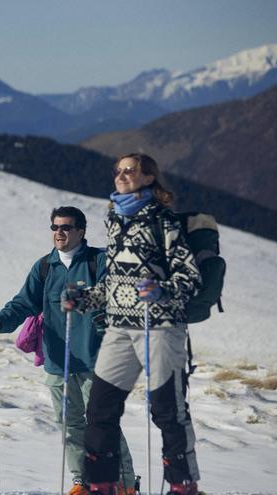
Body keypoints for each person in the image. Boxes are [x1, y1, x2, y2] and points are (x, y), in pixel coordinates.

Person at [62, 153, 202, 495]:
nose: (123, 175)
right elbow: (115, 283)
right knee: (100, 409)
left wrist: (161, 290)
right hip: (119, 327)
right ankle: (102, 484)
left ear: (149, 178)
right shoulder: (115, 219)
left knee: (168, 410)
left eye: (131, 170)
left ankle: (183, 485)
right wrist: (84, 299)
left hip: (160, 326)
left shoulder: (162, 221)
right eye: (119, 170)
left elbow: (191, 277)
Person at [0, 206, 137, 495]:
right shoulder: (44, 267)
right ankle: (83, 482)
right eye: (54, 227)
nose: (59, 233)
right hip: (58, 362)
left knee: (103, 425)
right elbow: (23, 303)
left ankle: (125, 484)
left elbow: (120, 297)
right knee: (70, 426)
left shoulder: (99, 261)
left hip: (96, 360)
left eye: (66, 227)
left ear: (81, 231)